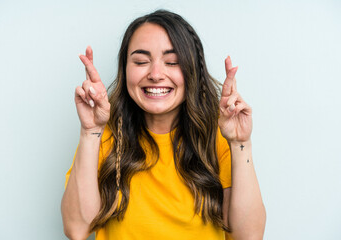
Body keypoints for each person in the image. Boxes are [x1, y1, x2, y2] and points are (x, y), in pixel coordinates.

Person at [61, 10, 266, 240]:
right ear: (125, 69)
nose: (156, 74)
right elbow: (76, 230)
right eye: (141, 61)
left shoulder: (218, 138)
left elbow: (248, 237)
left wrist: (241, 143)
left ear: (192, 71)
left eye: (172, 62)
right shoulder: (104, 136)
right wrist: (90, 132)